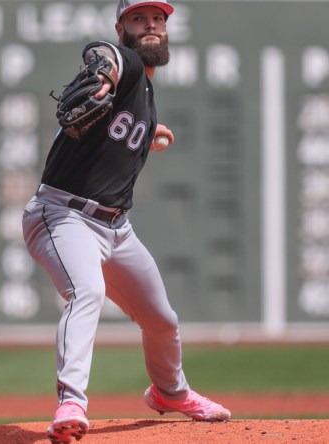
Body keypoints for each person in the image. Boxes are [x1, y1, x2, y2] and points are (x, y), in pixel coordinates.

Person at [21, 1, 231, 442]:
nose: (151, 25)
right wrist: (102, 72)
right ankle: (71, 402)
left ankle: (171, 392)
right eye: (138, 18)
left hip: (116, 228)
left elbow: (116, 122)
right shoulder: (125, 64)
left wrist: (150, 131)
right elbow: (105, 58)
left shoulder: (145, 96)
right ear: (122, 28)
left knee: (162, 320)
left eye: (158, 18)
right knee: (88, 290)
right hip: (63, 215)